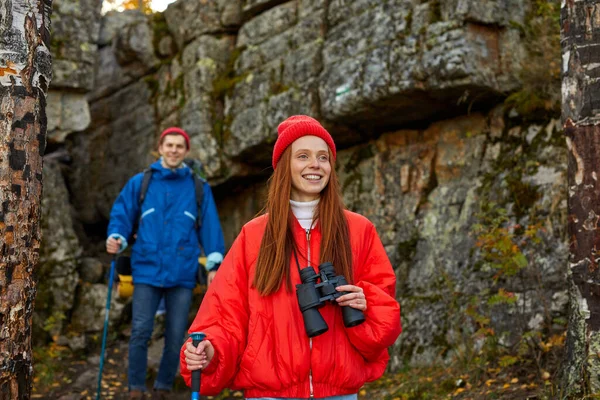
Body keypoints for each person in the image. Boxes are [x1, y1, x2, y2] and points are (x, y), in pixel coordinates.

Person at [180, 115, 401, 399]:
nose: (315, 164)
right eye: (303, 156)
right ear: (285, 165)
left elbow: (386, 308)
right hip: (270, 392)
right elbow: (225, 313)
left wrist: (365, 302)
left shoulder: (359, 230)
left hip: (337, 391)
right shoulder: (255, 235)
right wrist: (211, 350)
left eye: (323, 157)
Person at [106, 127, 226, 399]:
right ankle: (135, 388)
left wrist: (214, 264)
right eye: (169, 145)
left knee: (175, 337)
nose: (173, 150)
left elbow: (210, 227)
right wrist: (116, 237)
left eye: (179, 146)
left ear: (186, 151)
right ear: (159, 148)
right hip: (146, 270)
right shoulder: (141, 182)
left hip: (182, 273)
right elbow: (122, 215)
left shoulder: (198, 186)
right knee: (140, 331)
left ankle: (162, 388)